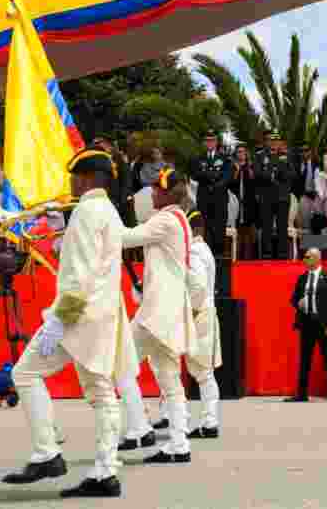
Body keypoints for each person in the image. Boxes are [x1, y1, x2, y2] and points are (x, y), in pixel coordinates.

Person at [0, 148, 138, 498]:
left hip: (77, 316)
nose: (71, 182)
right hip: (103, 314)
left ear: (88, 177)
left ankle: (47, 453)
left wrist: (58, 322)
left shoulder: (86, 212)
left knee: (25, 374)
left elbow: (79, 275)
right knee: (103, 393)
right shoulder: (106, 209)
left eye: (74, 176)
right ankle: (105, 472)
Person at [116, 167, 199, 464]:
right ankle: (178, 444)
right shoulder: (178, 220)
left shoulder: (164, 220)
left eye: (155, 188)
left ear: (167, 193)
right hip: (169, 309)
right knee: (169, 379)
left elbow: (125, 238)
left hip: (157, 311)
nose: (151, 192)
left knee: (118, 363)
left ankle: (138, 427)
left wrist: (96, 218)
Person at [286, 248, 327, 403]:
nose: (305, 259)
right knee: (305, 360)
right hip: (306, 323)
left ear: (317, 259)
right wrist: (298, 303)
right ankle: (302, 394)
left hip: (323, 324)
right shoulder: (302, 278)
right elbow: (293, 299)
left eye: (308, 257)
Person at [186, 209, 222, 438]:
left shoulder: (195, 251)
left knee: (202, 372)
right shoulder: (204, 249)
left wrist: (191, 310)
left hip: (199, 313)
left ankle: (210, 421)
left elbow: (198, 288)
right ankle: (209, 420)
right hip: (206, 311)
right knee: (202, 371)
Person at [190, 130, 233, 258]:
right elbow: (196, 174)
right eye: (207, 140)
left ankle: (218, 255)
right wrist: (212, 175)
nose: (210, 143)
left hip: (219, 197)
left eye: (212, 140)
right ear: (205, 142)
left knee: (219, 227)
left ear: (216, 142)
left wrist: (214, 180)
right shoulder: (198, 158)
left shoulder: (225, 158)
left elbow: (227, 177)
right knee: (205, 227)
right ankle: (205, 255)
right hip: (204, 197)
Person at [256, 132, 294, 259]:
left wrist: (277, 172)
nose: (274, 143)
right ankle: (266, 254)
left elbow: (293, 174)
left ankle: (282, 254)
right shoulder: (260, 156)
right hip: (266, 197)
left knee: (282, 227)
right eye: (271, 140)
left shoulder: (287, 156)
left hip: (282, 197)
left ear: (280, 142)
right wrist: (272, 174)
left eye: (277, 141)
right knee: (266, 227)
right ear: (267, 142)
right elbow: (257, 173)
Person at [93, 136, 134, 227]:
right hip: (108, 202)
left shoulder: (119, 159)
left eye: (100, 143)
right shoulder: (99, 161)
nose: (98, 146)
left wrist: (122, 200)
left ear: (109, 145)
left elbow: (126, 181)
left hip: (122, 201)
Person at [231, 145, 257, 260]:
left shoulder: (251, 166)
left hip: (248, 202)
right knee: (238, 230)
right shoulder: (233, 166)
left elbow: (254, 181)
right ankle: (237, 257)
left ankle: (248, 258)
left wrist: (250, 170)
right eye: (239, 152)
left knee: (248, 231)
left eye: (243, 152)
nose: (241, 154)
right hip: (236, 202)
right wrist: (236, 171)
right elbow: (231, 183)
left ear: (246, 154)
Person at [293, 143, 322, 233]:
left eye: (306, 150)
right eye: (301, 151)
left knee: (317, 223)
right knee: (305, 225)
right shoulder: (297, 165)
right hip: (303, 197)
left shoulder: (317, 163)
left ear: (310, 151)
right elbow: (295, 182)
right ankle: (307, 245)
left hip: (316, 197)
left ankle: (317, 245)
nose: (304, 153)